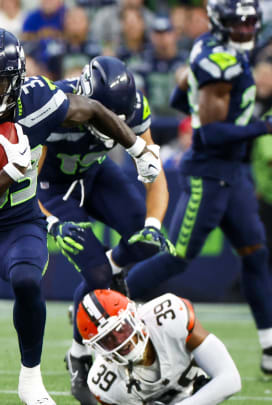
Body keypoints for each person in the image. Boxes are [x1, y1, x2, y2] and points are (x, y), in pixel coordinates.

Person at [0, 27, 162, 405]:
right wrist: (9, 172)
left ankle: (31, 379)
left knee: (26, 279)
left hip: (21, 223)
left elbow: (94, 109)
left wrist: (137, 148)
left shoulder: (38, 98)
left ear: (17, 78)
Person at [125, 0, 272, 375]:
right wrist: (264, 126)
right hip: (209, 173)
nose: (245, 30)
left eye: (250, 22)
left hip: (233, 174)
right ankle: (113, 308)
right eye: (237, 24)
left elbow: (179, 96)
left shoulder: (212, 49)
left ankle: (270, 348)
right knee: (176, 256)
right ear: (220, 24)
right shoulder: (219, 60)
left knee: (255, 254)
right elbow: (210, 131)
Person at [37, 56, 172, 405]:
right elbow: (23, 182)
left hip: (94, 175)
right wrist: (52, 223)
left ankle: (109, 276)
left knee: (146, 241)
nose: (112, 127)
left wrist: (155, 225)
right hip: (50, 187)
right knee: (96, 272)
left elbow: (155, 174)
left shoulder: (135, 107)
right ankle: (78, 356)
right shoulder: (52, 107)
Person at [76, 289, 241, 404]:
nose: (120, 341)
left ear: (133, 315)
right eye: (107, 340)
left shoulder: (169, 316)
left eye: (121, 328)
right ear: (97, 347)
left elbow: (230, 379)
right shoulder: (105, 383)